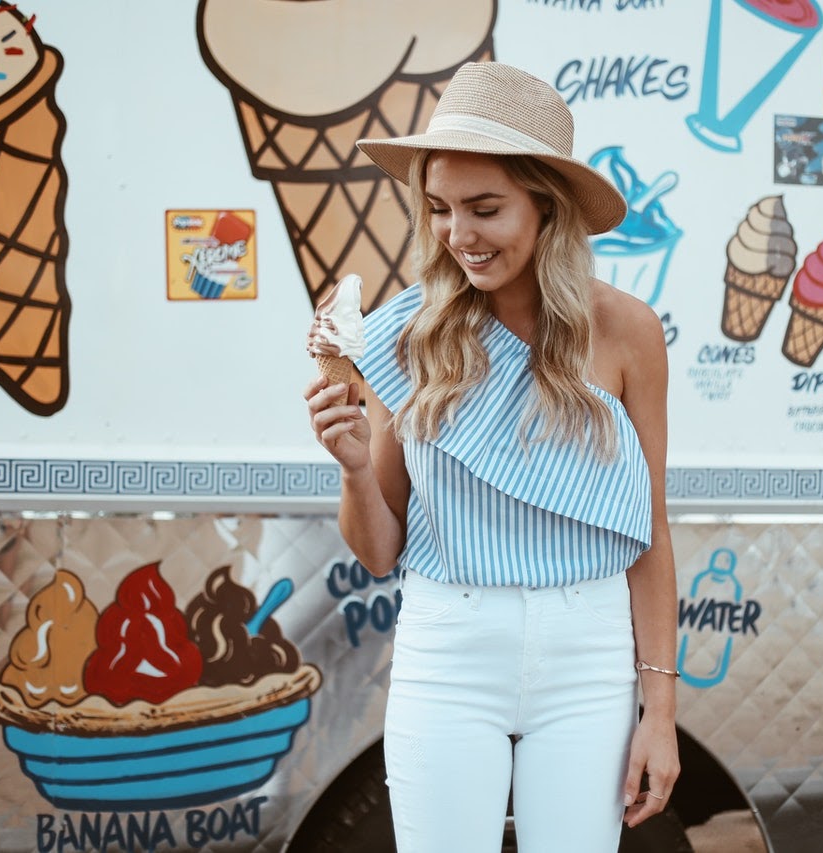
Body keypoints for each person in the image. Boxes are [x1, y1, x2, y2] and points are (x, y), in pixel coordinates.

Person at [305, 61, 679, 853]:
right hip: (450, 642)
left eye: (485, 208)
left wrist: (662, 714)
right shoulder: (404, 335)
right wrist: (348, 464)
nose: (458, 236)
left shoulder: (628, 332)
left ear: (550, 207)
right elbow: (378, 550)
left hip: (590, 649)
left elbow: (649, 531)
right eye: (439, 209)